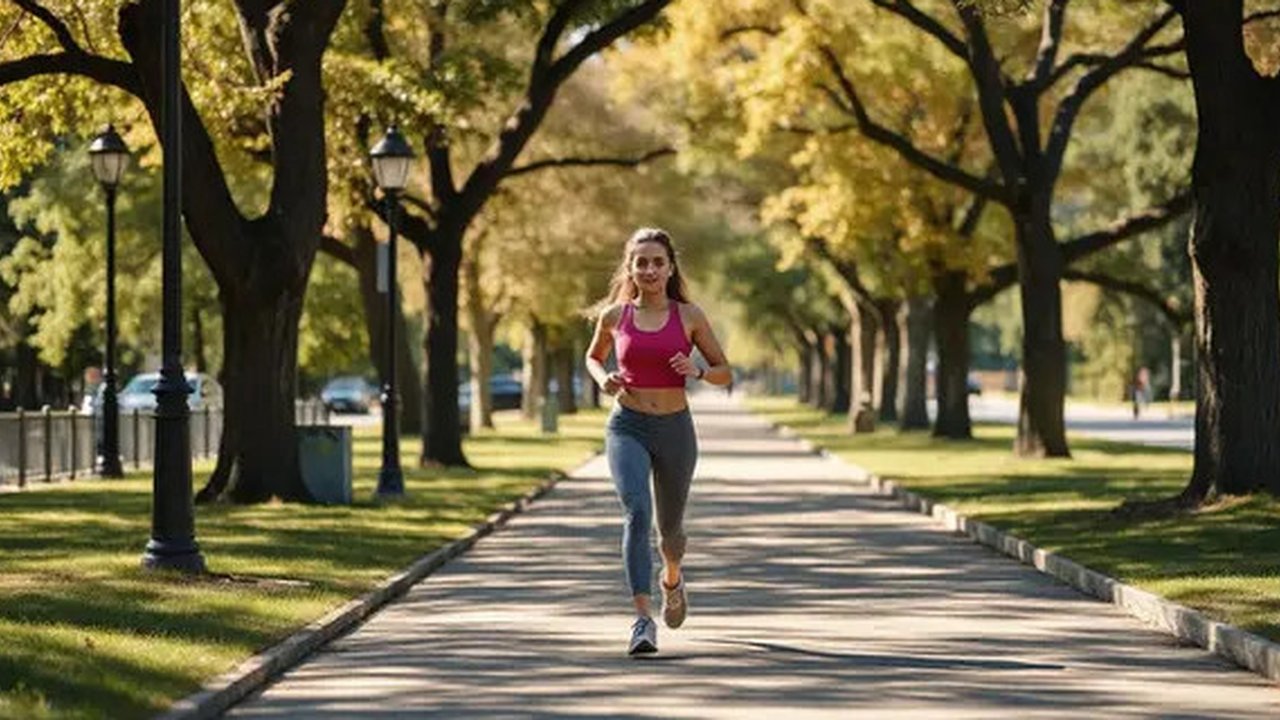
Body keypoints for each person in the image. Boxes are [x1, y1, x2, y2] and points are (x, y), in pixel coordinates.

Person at [585, 227, 731, 656]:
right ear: (630, 268)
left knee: (670, 532)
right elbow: (593, 357)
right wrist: (603, 378)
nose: (649, 269)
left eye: (657, 262)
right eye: (641, 262)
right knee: (636, 512)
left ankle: (672, 577)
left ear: (670, 268)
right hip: (627, 425)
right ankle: (642, 620)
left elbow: (726, 372)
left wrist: (698, 370)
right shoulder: (614, 316)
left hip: (675, 430)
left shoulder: (690, 316)